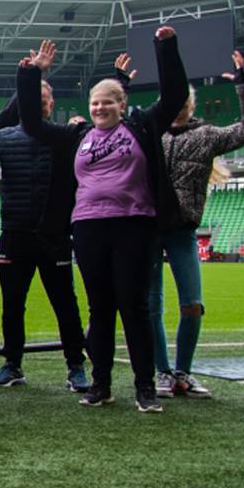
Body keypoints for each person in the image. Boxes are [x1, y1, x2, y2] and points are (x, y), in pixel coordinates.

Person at [18, 27, 188, 412]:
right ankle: (101, 385)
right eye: (95, 103)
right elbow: (33, 124)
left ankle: (144, 387)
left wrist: (165, 47)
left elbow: (175, 94)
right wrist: (31, 75)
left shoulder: (141, 126)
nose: (99, 109)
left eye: (107, 103)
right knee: (100, 307)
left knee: (134, 306)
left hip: (133, 223)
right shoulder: (78, 135)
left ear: (122, 103)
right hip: (88, 225)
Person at [0, 40, 90, 391]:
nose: (39, 103)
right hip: (14, 232)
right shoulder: (4, 137)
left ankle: (75, 366)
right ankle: (13, 364)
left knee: (65, 304)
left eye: (44, 99)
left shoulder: (66, 136)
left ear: (51, 104)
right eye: (33, 99)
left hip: (54, 234)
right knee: (12, 305)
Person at [146, 50, 244, 398]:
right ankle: (162, 372)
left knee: (192, 304)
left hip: (183, 229)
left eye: (183, 100)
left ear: (191, 104)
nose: (177, 105)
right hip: (148, 228)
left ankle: (183, 372)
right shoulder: (150, 136)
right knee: (151, 304)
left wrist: (243, 84)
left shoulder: (207, 136)